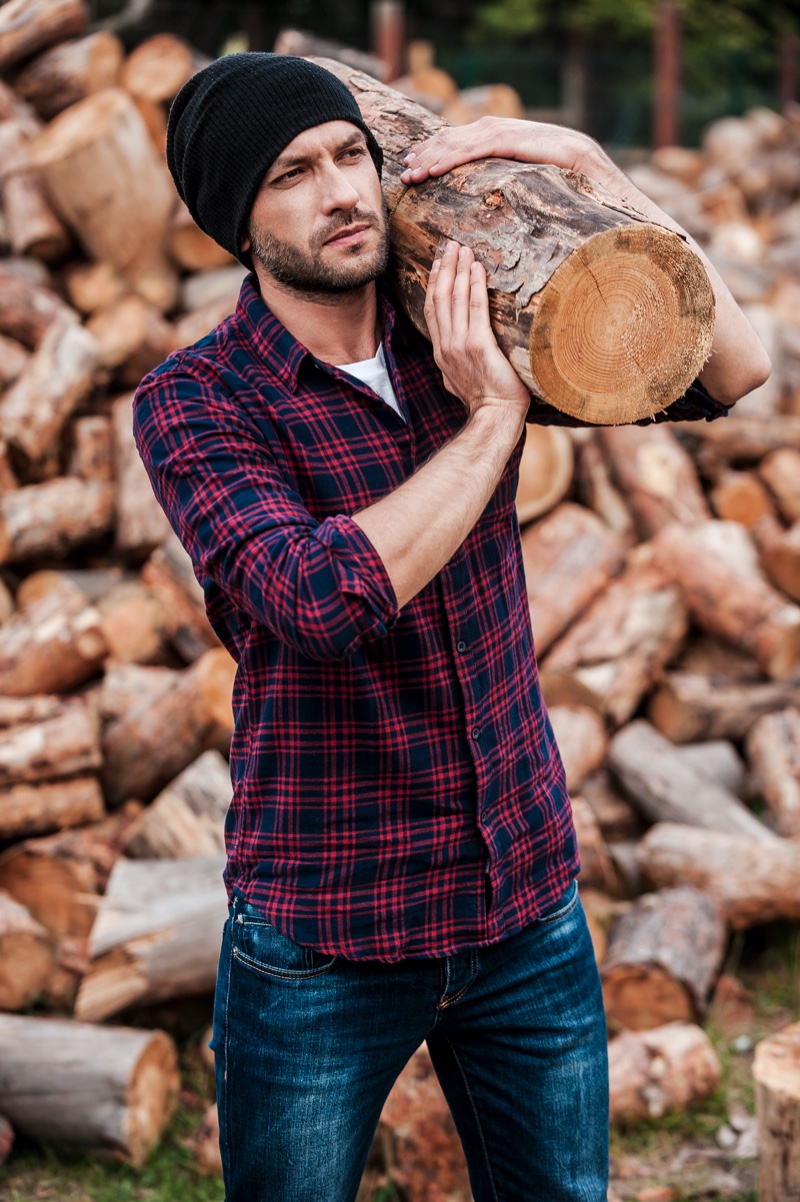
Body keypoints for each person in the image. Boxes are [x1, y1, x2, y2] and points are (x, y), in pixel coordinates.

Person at [133, 53, 770, 1202]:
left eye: (347, 156)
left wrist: (592, 169)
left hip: (523, 901)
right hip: (327, 927)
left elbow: (734, 369)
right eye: (292, 173)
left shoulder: (468, 320)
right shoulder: (198, 400)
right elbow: (317, 597)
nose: (340, 191)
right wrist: (488, 423)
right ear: (236, 217)